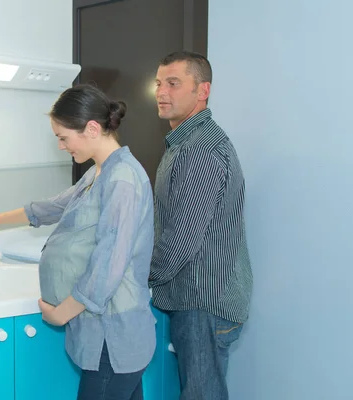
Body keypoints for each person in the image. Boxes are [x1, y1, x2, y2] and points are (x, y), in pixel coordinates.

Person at [0, 84, 156, 400]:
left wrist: (61, 314)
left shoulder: (122, 179)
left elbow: (108, 266)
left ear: (92, 129)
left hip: (114, 337)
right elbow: (55, 206)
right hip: (107, 335)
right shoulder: (99, 171)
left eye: (63, 137)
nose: (60, 145)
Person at [148, 50, 253, 400]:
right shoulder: (187, 142)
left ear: (202, 90)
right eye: (159, 83)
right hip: (202, 297)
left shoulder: (199, 150)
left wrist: (135, 273)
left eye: (174, 84)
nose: (162, 92)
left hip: (202, 301)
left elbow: (180, 241)